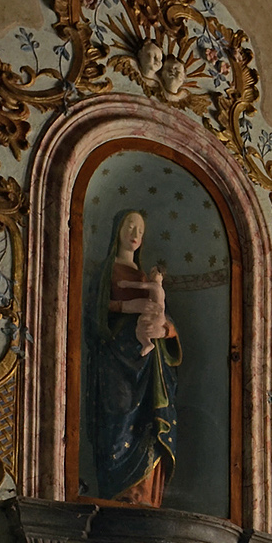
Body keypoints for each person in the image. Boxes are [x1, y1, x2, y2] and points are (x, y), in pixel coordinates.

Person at [89, 209, 180, 505]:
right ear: (117, 229)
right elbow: (96, 313)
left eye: (140, 229)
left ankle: (147, 500)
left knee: (150, 426)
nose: (135, 233)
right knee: (118, 419)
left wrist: (164, 329)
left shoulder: (144, 276)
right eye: (129, 225)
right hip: (116, 359)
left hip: (150, 367)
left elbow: (163, 317)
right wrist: (127, 309)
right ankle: (121, 496)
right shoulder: (106, 270)